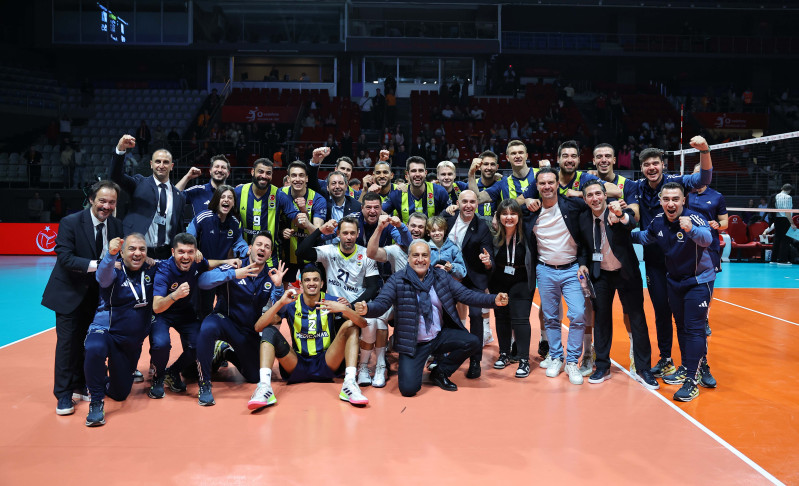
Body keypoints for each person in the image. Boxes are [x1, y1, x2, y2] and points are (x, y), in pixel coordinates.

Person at [355, 240, 508, 397]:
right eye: (416, 255)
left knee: (473, 342)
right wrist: (368, 309)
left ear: (430, 258)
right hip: (413, 344)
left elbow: (466, 295)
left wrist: (493, 300)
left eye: (424, 255)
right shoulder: (397, 280)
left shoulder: (441, 276)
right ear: (408, 258)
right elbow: (382, 303)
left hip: (438, 336)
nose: (420, 259)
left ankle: (440, 372)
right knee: (408, 389)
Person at [628, 136, 713, 379]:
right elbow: (611, 186)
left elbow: (703, 179)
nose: (651, 168)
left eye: (655, 163)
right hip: (655, 260)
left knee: (691, 320)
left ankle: (699, 365)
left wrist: (704, 151)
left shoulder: (676, 182)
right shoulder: (637, 187)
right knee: (662, 312)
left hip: (683, 261)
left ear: (663, 165)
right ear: (641, 167)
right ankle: (666, 359)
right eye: (647, 164)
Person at [42, 181, 124, 416]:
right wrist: (102, 264)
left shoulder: (117, 225)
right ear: (91, 200)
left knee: (88, 343)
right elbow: (66, 258)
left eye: (111, 202)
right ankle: (63, 393)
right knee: (68, 345)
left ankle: (81, 383)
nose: (106, 206)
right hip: (69, 294)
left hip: (97, 297)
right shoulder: (71, 222)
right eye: (102, 201)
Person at [632, 183, 715, 402]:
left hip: (698, 281)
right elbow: (645, 237)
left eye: (675, 199)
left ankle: (692, 380)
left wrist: (691, 229)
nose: (671, 203)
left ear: (683, 200)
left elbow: (707, 239)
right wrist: (621, 229)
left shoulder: (694, 218)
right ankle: (688, 367)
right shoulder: (658, 220)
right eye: (666, 199)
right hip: (675, 281)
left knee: (694, 329)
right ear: (660, 201)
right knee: (682, 326)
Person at [249, 266, 370, 410]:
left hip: (327, 361)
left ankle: (349, 384)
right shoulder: (291, 303)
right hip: (297, 363)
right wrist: (280, 303)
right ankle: (264, 387)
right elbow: (258, 327)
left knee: (351, 325)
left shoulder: (331, 300)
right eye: (307, 280)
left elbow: (362, 324)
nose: (311, 283)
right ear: (301, 284)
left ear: (322, 283)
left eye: (315, 280)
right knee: (269, 331)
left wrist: (344, 309)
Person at [577, 181, 658, 389]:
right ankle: (602, 366)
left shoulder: (617, 210)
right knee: (602, 320)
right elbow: (584, 247)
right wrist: (583, 264)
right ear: (585, 199)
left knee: (637, 318)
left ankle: (644, 368)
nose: (595, 198)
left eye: (598, 194)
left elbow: (631, 223)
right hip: (600, 274)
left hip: (626, 272)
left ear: (605, 195)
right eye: (590, 195)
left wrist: (620, 215)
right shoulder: (583, 218)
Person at [195, 231, 287, 406]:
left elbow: (278, 312)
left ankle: (225, 352)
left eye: (267, 247)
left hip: (247, 330)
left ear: (269, 254)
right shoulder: (235, 265)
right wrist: (234, 274)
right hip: (224, 320)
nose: (262, 249)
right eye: (259, 244)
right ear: (250, 248)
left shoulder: (270, 276)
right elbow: (203, 281)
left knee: (254, 376)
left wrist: (278, 287)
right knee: (207, 328)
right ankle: (205, 384)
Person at [295, 216, 383, 386]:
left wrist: (351, 305)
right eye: (345, 233)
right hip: (332, 309)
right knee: (337, 367)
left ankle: (364, 364)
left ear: (358, 234)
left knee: (369, 323)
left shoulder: (366, 254)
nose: (349, 237)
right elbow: (301, 252)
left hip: (355, 306)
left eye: (352, 233)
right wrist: (320, 231)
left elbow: (373, 287)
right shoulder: (330, 251)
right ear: (338, 234)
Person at [83, 233, 158, 426]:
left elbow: (176, 263)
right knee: (94, 347)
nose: (137, 253)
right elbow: (102, 277)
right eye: (132, 249)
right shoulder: (113, 268)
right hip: (106, 331)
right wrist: (110, 255)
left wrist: (197, 254)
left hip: (131, 342)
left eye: (142, 249)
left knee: (120, 394)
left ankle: (101, 377)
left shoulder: (151, 269)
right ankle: (96, 401)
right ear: (122, 253)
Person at [528, 168, 590, 385]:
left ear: (557, 184)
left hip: (572, 269)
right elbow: (507, 210)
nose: (547, 186)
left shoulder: (573, 205)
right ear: (536, 186)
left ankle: (572, 361)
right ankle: (556, 356)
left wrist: (581, 193)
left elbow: (595, 202)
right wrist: (525, 200)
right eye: (542, 183)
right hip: (545, 270)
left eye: (550, 182)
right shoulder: (531, 210)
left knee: (578, 314)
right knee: (551, 317)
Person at [149, 233, 216, 398]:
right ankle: (158, 378)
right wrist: (175, 295)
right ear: (173, 252)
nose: (185, 257)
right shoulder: (164, 270)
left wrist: (229, 261)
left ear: (195, 252)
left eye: (190, 252)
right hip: (162, 313)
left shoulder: (196, 263)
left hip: (185, 312)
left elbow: (209, 264)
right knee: (161, 344)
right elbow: (156, 307)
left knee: (201, 342)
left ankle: (173, 372)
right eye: (181, 252)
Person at [110, 135, 187, 260]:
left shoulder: (179, 196)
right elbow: (115, 176)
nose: (161, 165)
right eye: (158, 161)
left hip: (165, 256)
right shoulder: (139, 183)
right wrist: (120, 149)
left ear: (172, 166)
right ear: (151, 164)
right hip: (137, 253)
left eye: (166, 162)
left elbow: (179, 230)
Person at [443, 190, 494, 378]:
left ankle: (475, 361)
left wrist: (488, 261)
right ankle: (442, 356)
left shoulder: (482, 226)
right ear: (457, 203)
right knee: (443, 313)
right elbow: (433, 230)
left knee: (476, 314)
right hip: (448, 276)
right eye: (464, 201)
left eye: (472, 202)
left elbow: (488, 252)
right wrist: (444, 211)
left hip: (473, 278)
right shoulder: (448, 221)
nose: (468, 205)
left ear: (477, 205)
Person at [488, 199, 535, 377]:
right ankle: (504, 354)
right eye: (505, 214)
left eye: (513, 214)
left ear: (519, 216)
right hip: (498, 280)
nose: (509, 217)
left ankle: (523, 360)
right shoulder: (493, 233)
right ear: (498, 216)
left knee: (520, 319)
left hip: (521, 280)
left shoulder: (527, 232)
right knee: (501, 317)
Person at [234, 157, 300, 264]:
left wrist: (300, 216)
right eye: (260, 172)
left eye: (268, 173)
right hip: (245, 255)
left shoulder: (279, 195)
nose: (264, 176)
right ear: (252, 172)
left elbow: (296, 217)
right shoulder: (239, 192)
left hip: (270, 258)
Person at [279, 161, 327, 282]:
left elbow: (318, 233)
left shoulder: (318, 199)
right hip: (286, 256)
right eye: (294, 175)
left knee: (311, 290)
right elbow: (274, 222)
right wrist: (282, 231)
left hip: (309, 258)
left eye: (301, 175)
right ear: (288, 179)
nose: (297, 179)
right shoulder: (280, 194)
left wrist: (306, 220)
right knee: (285, 292)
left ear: (306, 178)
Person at [381, 156, 450, 224]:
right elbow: (379, 211)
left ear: (425, 173)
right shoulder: (398, 193)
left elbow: (451, 214)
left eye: (420, 170)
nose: (417, 174)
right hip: (406, 231)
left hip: (431, 231)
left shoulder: (439, 191)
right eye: (413, 171)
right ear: (407, 174)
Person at [768, 184, 795, 266]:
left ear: (782, 188)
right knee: (785, 240)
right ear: (789, 190)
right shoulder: (788, 197)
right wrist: (792, 223)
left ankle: (773, 259)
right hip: (785, 220)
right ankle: (783, 260)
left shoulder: (776, 196)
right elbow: (787, 212)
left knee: (777, 239)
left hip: (777, 219)